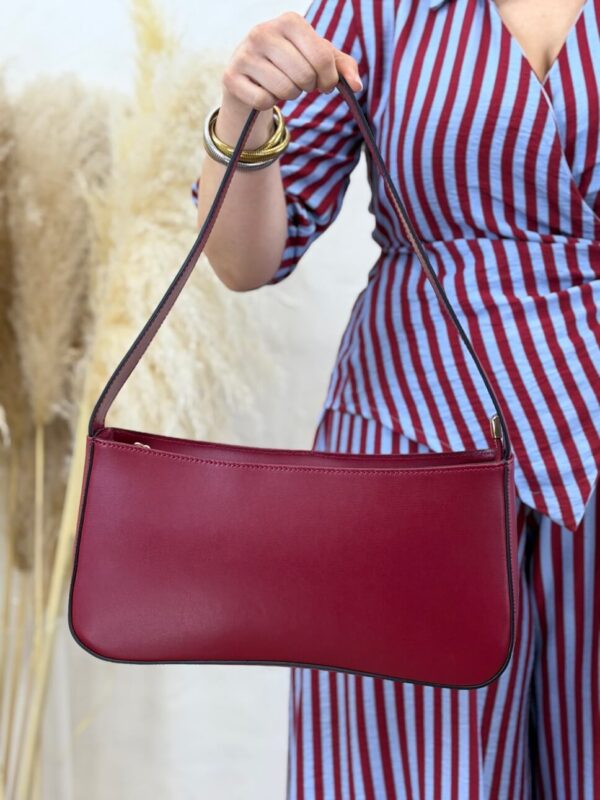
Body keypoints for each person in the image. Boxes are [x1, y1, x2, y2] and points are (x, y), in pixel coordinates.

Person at [192, 0, 600, 796]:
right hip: (411, 439)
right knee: (409, 776)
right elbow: (245, 261)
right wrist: (244, 108)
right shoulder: (379, 6)